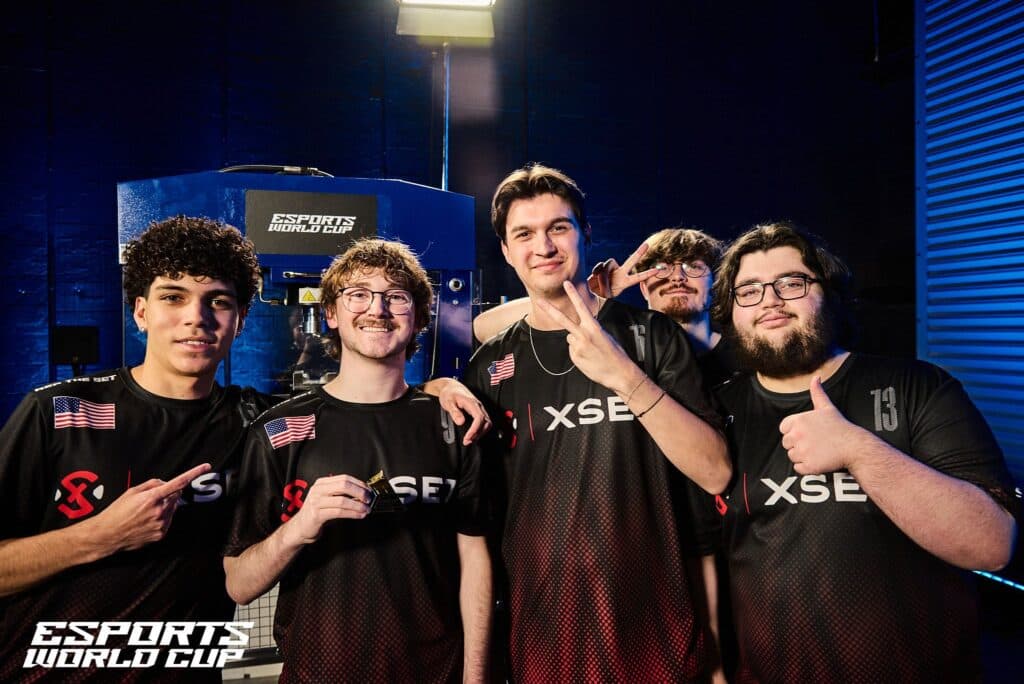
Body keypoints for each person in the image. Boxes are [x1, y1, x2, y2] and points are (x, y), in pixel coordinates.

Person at [708, 221, 1019, 682]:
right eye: (748, 290)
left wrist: (858, 449)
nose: (769, 300)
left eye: (791, 283)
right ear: (731, 311)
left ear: (829, 294)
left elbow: (991, 546)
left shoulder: (917, 387)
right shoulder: (716, 413)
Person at [465, 163, 731, 681]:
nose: (544, 246)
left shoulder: (651, 336)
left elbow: (716, 471)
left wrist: (625, 378)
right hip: (545, 638)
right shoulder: (490, 364)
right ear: (506, 251)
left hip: (655, 634)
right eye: (524, 234)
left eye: (558, 228)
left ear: (586, 233)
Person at [0, 216, 269, 681]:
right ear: (141, 312)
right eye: (173, 297)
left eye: (218, 301)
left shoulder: (255, 423)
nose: (196, 317)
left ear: (240, 320)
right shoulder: (59, 411)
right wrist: (101, 536)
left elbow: (358, 411)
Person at [223, 238, 491, 683]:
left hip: (434, 673)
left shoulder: (453, 424)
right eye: (358, 294)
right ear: (330, 313)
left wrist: (476, 678)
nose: (377, 309)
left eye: (396, 297)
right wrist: (301, 527)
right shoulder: (279, 431)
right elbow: (239, 584)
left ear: (419, 317)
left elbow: (474, 560)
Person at [474, 227, 739, 389]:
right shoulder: (616, 344)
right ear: (643, 287)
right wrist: (588, 295)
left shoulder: (743, 354)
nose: (678, 277)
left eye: (693, 267)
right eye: (662, 268)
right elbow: (482, 327)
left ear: (714, 282)